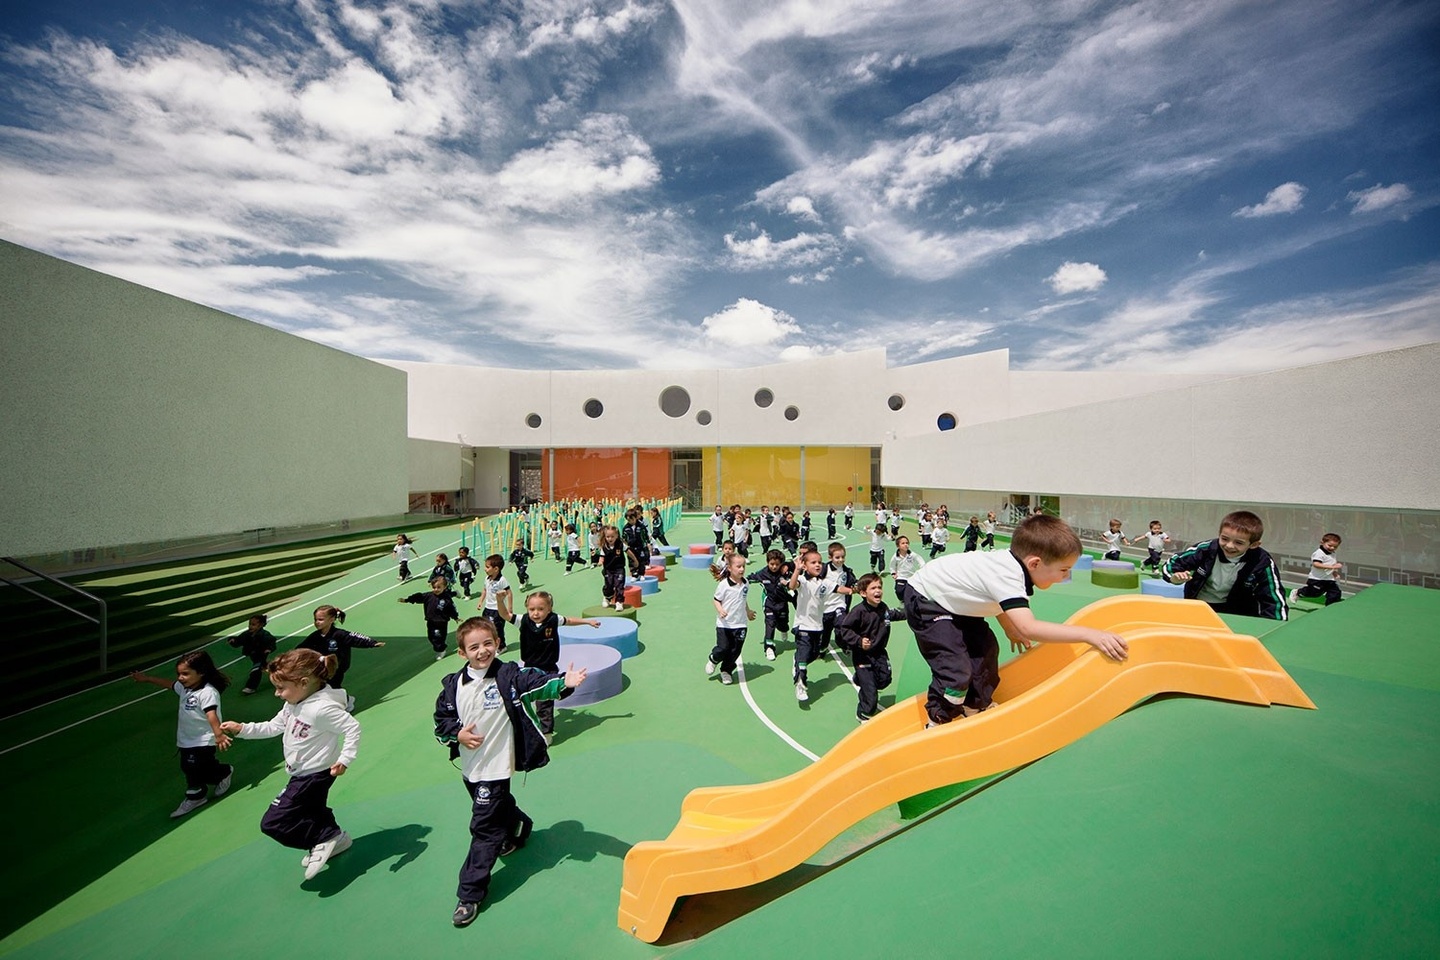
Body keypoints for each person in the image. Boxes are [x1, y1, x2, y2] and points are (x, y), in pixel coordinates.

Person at [433, 618, 587, 927]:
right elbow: (441, 724)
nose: (482, 651)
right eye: (474, 646)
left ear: (498, 643)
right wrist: (458, 734)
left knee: (484, 828)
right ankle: (519, 827)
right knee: (495, 808)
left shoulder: (508, 675)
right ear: (462, 652)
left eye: (488, 644)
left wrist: (564, 682)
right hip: (470, 767)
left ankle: (470, 893)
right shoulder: (452, 686)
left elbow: (537, 682)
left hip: (497, 766)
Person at [905, 514, 1130, 726]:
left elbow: (995, 596)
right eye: (1063, 570)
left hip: (955, 600)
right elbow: (1029, 627)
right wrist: (1090, 635)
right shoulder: (1007, 574)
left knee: (986, 650)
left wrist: (1008, 627)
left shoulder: (1012, 566)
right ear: (1034, 564)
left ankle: (974, 706)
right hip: (928, 599)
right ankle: (938, 719)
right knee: (956, 670)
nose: (1066, 576)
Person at [221, 649, 361, 880]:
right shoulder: (294, 704)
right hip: (302, 772)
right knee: (313, 809)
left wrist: (345, 759)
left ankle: (322, 839)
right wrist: (243, 728)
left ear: (304, 683)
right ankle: (335, 837)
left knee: (274, 822)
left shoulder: (321, 708)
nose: (277, 694)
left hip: (314, 773)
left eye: (280, 688)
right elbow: (274, 726)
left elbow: (352, 728)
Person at [131, 651, 233, 818]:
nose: (180, 678)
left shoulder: (207, 692)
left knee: (192, 767)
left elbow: (211, 714)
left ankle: (196, 796)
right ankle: (223, 772)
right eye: (179, 674)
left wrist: (219, 734)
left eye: (185, 674)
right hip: (186, 739)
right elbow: (169, 684)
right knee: (195, 767)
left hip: (204, 739)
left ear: (201, 672)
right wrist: (147, 678)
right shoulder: (185, 688)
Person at [497, 590, 599, 744]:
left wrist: (587, 622)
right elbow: (505, 615)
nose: (536, 613)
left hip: (548, 668)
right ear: (527, 609)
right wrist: (499, 601)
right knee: (523, 699)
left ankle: (546, 732)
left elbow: (570, 620)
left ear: (549, 609)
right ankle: (525, 727)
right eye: (532, 609)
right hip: (529, 668)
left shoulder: (553, 619)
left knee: (544, 702)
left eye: (540, 609)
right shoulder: (522, 620)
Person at [1161, 510, 1289, 620]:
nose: (1229, 546)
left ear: (1253, 545)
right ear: (1219, 535)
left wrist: (1274, 625)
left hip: (1237, 612)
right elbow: (1172, 562)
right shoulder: (1206, 549)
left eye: (1238, 542)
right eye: (1224, 539)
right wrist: (1174, 577)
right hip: (1200, 606)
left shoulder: (1262, 562)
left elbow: (1274, 600)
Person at [837, 574, 905, 723]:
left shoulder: (883, 608)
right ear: (863, 593)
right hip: (863, 655)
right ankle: (863, 713)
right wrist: (859, 641)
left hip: (879, 652)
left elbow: (893, 614)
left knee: (885, 680)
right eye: (873, 588)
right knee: (871, 692)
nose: (878, 590)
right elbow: (845, 629)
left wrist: (911, 613)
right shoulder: (858, 611)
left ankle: (859, 678)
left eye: (879, 587)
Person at [787, 549, 851, 702]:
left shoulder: (824, 583)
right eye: (813, 562)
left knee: (814, 654)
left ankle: (797, 662)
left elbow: (839, 589)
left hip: (817, 627)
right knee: (804, 654)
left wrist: (853, 590)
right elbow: (792, 585)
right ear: (805, 565)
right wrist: (796, 570)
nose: (817, 565)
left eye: (820, 562)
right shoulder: (802, 580)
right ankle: (801, 684)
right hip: (803, 626)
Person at [297, 606, 384, 709]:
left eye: (320, 619)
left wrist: (371, 643)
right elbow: (302, 648)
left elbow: (355, 637)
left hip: (338, 666)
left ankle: (347, 701)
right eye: (315, 619)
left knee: (334, 685)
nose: (317, 622)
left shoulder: (340, 634)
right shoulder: (315, 637)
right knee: (321, 686)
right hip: (323, 666)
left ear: (332, 619)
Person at [706, 551, 757, 685]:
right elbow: (716, 600)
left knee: (735, 650)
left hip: (740, 624)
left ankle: (726, 671)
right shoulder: (724, 585)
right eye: (738, 567)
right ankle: (713, 658)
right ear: (730, 568)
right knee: (723, 648)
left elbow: (742, 599)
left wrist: (748, 611)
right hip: (725, 624)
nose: (742, 569)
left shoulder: (746, 583)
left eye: (743, 567)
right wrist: (720, 610)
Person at [399, 575, 461, 661]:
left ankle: (441, 650)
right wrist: (407, 600)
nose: (436, 589)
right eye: (434, 587)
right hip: (431, 621)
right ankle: (439, 647)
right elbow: (418, 597)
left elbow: (451, 609)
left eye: (439, 587)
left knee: (438, 637)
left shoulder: (446, 599)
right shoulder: (428, 596)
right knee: (431, 637)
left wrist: (456, 617)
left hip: (441, 622)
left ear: (445, 587)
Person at [747, 549, 793, 662]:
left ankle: (784, 629)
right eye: (771, 564)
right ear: (767, 562)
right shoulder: (763, 573)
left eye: (777, 564)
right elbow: (750, 578)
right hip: (769, 604)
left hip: (782, 603)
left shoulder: (784, 572)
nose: (774, 567)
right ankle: (769, 648)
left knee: (782, 623)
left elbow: (795, 567)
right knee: (770, 624)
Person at [821, 542, 858, 651]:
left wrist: (856, 587)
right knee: (825, 632)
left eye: (843, 557)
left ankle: (844, 645)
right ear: (830, 557)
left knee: (842, 626)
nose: (840, 560)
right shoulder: (824, 569)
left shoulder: (847, 571)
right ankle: (822, 648)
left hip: (839, 605)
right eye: (837, 557)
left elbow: (854, 583)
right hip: (824, 607)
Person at [228, 612, 277, 694]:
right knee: (265, 665)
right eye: (250, 624)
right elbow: (239, 640)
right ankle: (278, 670)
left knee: (256, 670)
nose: (250, 626)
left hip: (261, 654)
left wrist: (269, 649)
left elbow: (272, 641)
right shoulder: (246, 634)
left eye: (253, 625)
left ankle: (251, 687)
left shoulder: (264, 635)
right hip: (253, 655)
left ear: (261, 625)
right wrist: (233, 641)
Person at [1291, 533, 1344, 606]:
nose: (1332, 548)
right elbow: (1316, 564)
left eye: (1335, 547)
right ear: (1322, 542)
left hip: (1329, 579)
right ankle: (1298, 592)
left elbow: (1331, 563)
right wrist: (1333, 567)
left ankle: (1330, 608)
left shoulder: (1333, 553)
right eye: (1329, 545)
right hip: (1316, 579)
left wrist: (1334, 572)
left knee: (1335, 593)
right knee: (1315, 593)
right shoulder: (1319, 553)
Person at [599, 524, 637, 610]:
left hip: (619, 568)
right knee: (609, 584)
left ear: (616, 536)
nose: (610, 539)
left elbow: (628, 552)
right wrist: (600, 562)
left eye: (612, 536)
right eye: (608, 537)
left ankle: (619, 602)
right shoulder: (604, 546)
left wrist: (635, 560)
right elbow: (602, 556)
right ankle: (607, 597)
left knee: (619, 585)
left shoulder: (620, 544)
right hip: (608, 569)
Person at [479, 555, 513, 649]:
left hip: (498, 610)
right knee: (486, 627)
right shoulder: (487, 579)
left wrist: (509, 608)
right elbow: (485, 590)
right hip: (487, 608)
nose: (485, 569)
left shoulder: (502, 580)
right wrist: (481, 601)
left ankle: (502, 647)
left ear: (496, 569)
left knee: (497, 629)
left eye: (487, 567)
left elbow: (509, 593)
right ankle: (492, 644)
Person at [887, 535, 924, 602]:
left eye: (907, 543)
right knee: (899, 591)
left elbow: (920, 561)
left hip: (912, 576)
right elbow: (892, 566)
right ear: (898, 546)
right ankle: (902, 601)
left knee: (913, 592)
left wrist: (922, 569)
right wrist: (893, 573)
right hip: (901, 577)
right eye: (903, 543)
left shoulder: (912, 554)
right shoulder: (895, 557)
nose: (906, 545)